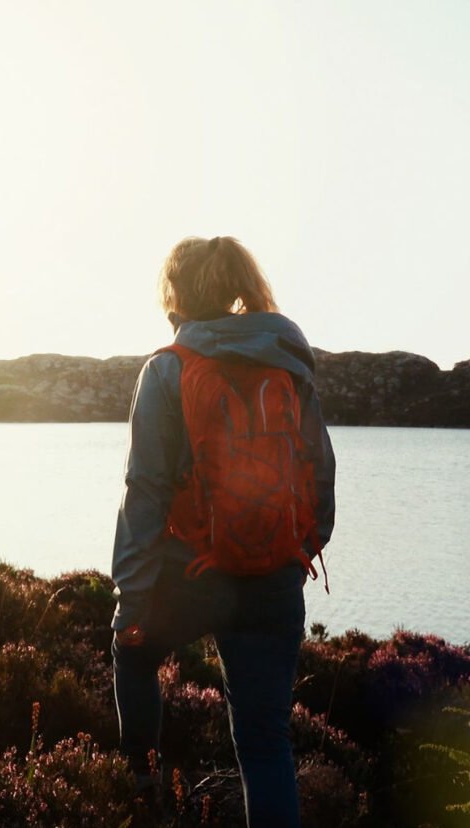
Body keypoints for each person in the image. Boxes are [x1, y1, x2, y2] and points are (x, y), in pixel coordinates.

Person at [111, 235, 336, 827]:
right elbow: (321, 472)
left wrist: (131, 600)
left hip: (192, 574)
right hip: (274, 578)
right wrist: (296, 553)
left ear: (176, 295)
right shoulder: (286, 362)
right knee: (265, 745)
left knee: (132, 654)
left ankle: (143, 783)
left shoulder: (166, 370)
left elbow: (146, 492)